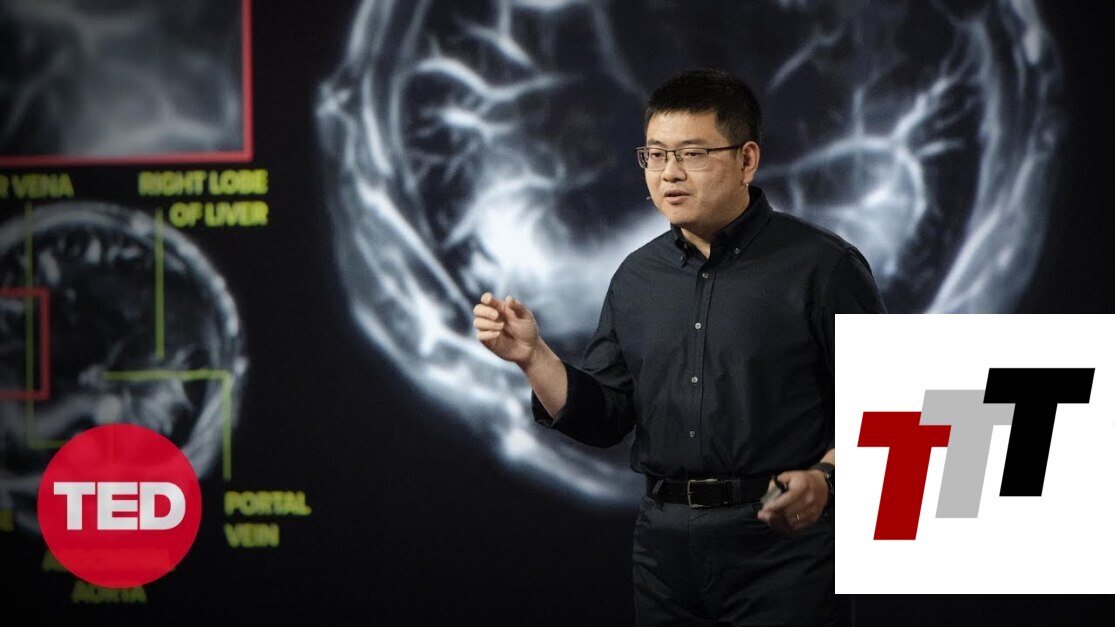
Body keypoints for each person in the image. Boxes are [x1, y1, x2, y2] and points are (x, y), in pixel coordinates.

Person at [472, 67, 885, 626]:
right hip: (663, 551)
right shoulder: (636, 277)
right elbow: (607, 416)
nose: (670, 173)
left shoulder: (824, 267)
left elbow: (887, 412)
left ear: (747, 160)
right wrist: (533, 357)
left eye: (692, 154)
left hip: (782, 546)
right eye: (656, 154)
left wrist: (826, 481)